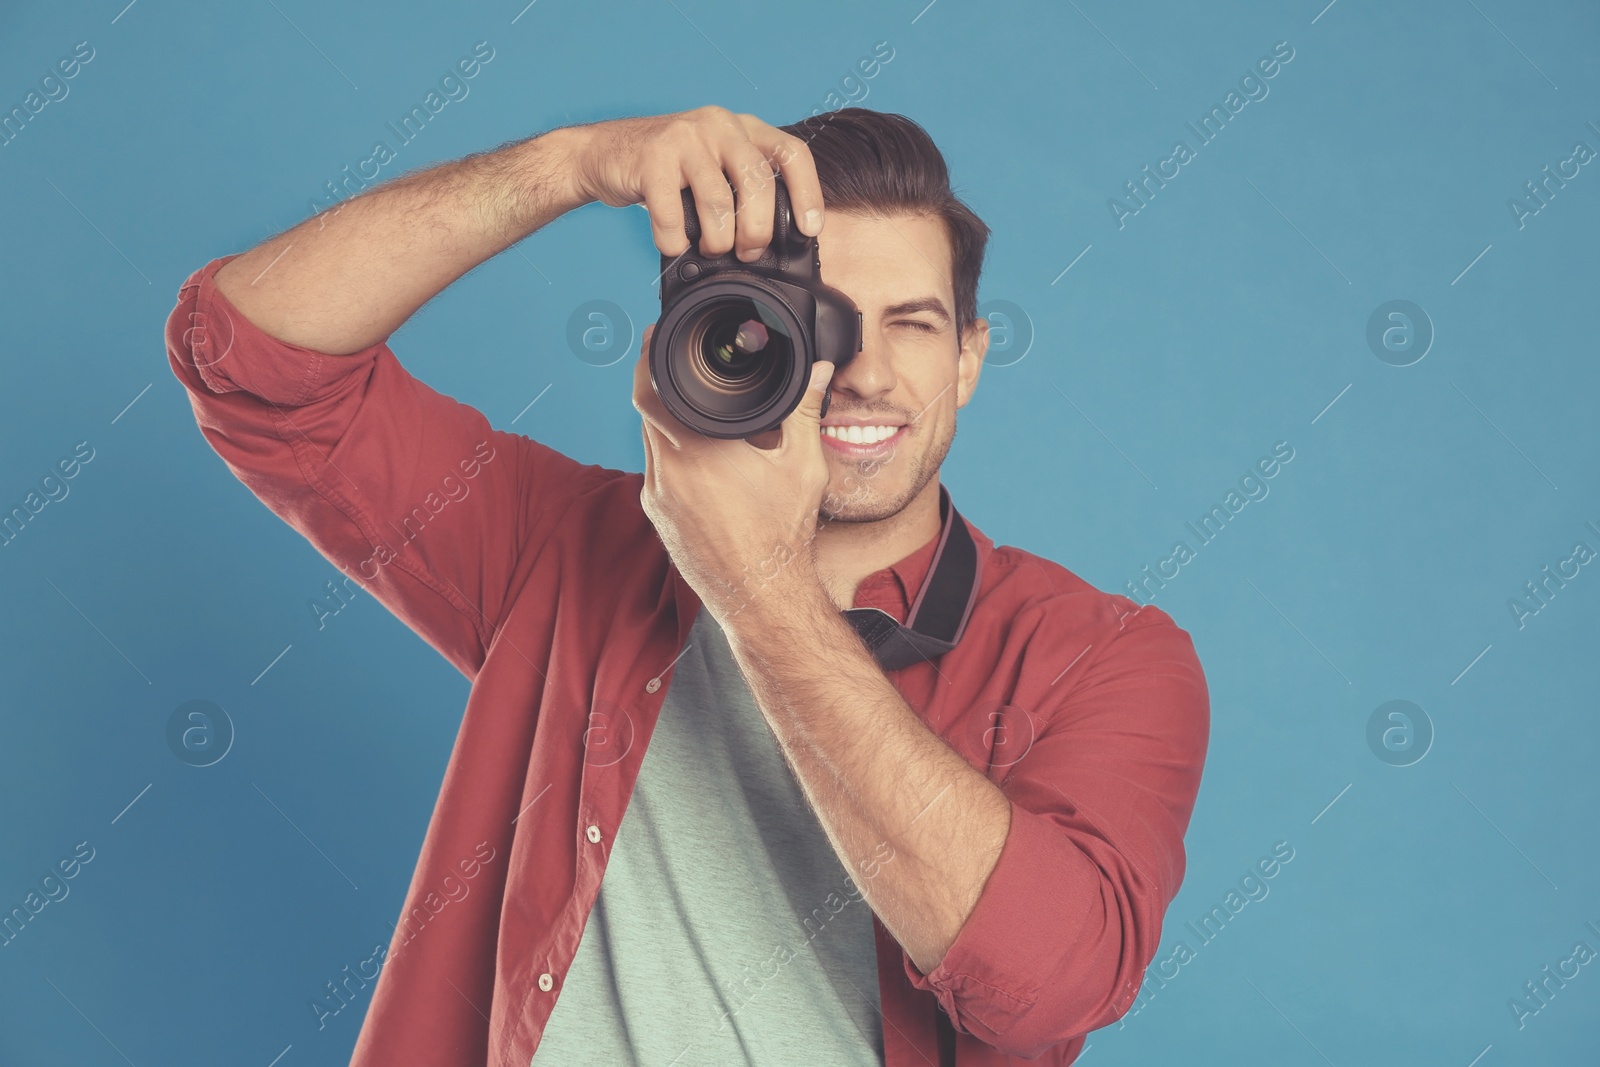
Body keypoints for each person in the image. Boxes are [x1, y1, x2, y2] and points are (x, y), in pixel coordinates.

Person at [164, 105, 1209, 1066]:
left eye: (914, 323)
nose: (864, 372)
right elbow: (251, 359)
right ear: (731, 331)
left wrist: (755, 586)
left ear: (970, 358)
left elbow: (1049, 982)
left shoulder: (1101, 653)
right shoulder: (568, 545)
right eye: (824, 321)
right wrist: (566, 164)